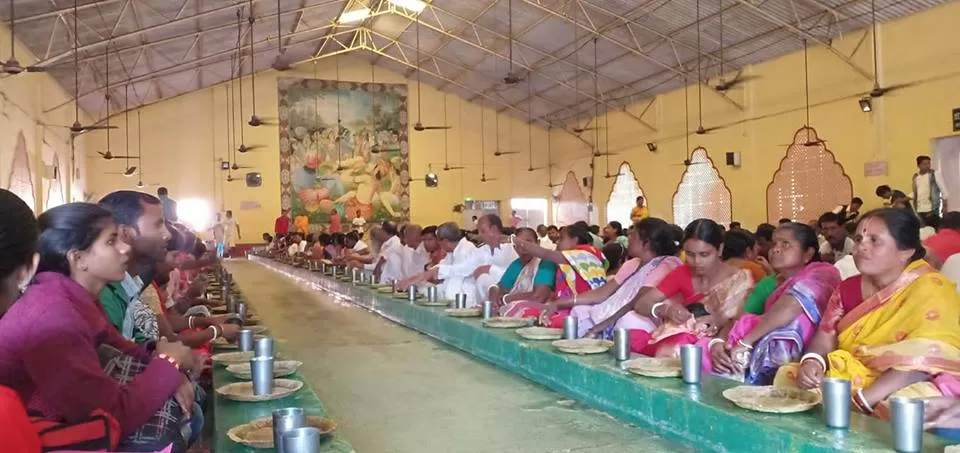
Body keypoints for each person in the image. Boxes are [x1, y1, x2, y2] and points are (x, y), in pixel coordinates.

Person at [0, 202, 196, 441]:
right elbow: (110, 417)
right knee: (172, 432)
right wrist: (170, 363)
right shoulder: (54, 315)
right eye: (112, 241)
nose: (125, 248)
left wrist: (164, 361)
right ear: (78, 258)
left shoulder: (75, 297)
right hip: (32, 436)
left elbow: (124, 350)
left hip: (55, 424)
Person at [777, 208, 960, 419]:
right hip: (856, 372)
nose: (861, 246)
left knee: (905, 405)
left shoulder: (931, 288)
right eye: (858, 239)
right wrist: (813, 362)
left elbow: (924, 361)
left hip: (909, 379)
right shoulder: (848, 289)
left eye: (874, 240)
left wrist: (863, 400)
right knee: (788, 377)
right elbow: (826, 334)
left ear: (906, 251)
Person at [704, 222, 841, 384]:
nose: (775, 249)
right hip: (750, 345)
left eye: (786, 244)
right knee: (702, 355)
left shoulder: (823, 274)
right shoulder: (768, 284)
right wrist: (718, 342)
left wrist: (746, 342)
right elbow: (740, 318)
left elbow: (793, 304)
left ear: (808, 254)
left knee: (797, 320)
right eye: (774, 243)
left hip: (803, 355)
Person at [618, 219, 754, 357]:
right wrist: (666, 310)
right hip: (681, 337)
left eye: (704, 254)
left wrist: (717, 322)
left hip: (720, 341)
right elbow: (642, 303)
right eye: (690, 254)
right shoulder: (683, 273)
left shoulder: (738, 280)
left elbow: (740, 321)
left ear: (720, 249)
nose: (696, 262)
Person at [544, 218, 684, 339]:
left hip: (646, 315)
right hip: (619, 311)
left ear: (646, 243)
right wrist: (561, 303)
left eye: (632, 237)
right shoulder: (632, 263)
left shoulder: (665, 264)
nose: (628, 240)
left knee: (627, 323)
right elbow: (603, 293)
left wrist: (602, 326)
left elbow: (635, 302)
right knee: (579, 310)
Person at [98, 191, 173, 343]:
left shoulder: (129, 285)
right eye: (158, 225)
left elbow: (134, 349)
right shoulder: (103, 293)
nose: (167, 234)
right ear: (125, 233)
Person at [512, 223, 608, 327]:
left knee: (532, 318)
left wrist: (515, 241)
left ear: (574, 240)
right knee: (525, 311)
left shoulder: (584, 253)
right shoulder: (568, 260)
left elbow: (545, 254)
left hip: (584, 311)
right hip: (567, 307)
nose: (558, 242)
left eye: (562, 238)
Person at [398, 222, 479, 304]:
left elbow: (448, 272)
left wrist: (413, 282)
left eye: (438, 241)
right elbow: (436, 269)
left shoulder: (466, 250)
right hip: (452, 299)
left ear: (445, 241)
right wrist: (411, 281)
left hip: (466, 302)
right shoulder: (452, 253)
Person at [488, 228, 557, 317]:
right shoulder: (516, 264)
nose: (524, 247)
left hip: (539, 313)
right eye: (518, 244)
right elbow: (500, 287)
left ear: (538, 243)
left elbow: (538, 297)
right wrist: (493, 295)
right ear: (514, 247)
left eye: (528, 242)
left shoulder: (546, 264)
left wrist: (506, 299)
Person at [913, 155, 948, 226]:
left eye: (929, 163)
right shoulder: (916, 177)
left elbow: (944, 191)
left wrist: (944, 207)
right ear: (918, 165)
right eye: (924, 164)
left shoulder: (935, 174)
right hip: (919, 210)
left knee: (934, 229)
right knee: (924, 231)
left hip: (932, 209)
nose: (927, 165)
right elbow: (916, 193)